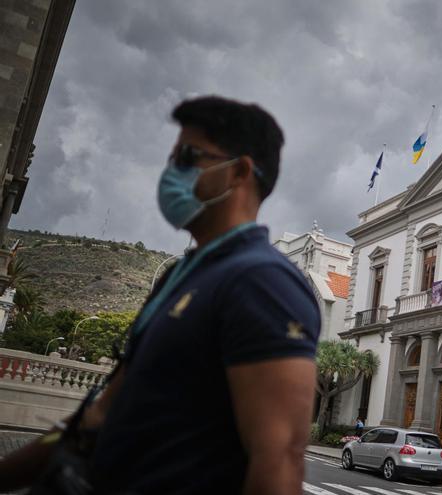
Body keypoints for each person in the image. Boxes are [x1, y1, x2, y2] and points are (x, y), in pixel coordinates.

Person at [0, 96, 321, 494]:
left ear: (239, 171)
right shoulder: (181, 273)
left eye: (188, 157)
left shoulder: (263, 283)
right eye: (172, 159)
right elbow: (96, 416)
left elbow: (279, 461)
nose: (172, 173)